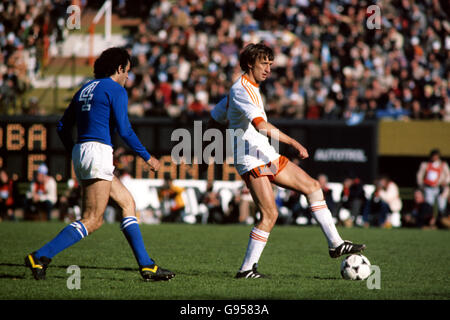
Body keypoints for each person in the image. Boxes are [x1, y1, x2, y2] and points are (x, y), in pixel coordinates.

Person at [209, 43, 365, 279]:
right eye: (264, 63)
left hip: (265, 154)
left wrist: (230, 117)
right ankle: (246, 270)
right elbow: (261, 126)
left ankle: (336, 244)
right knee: (270, 214)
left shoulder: (242, 89)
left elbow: (216, 116)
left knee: (313, 187)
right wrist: (294, 143)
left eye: (271, 64)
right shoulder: (242, 89)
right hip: (251, 158)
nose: (269, 69)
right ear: (250, 63)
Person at [25, 47, 174, 281]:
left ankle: (147, 266)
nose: (128, 77)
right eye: (128, 71)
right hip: (98, 151)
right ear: (119, 68)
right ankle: (41, 255)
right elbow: (125, 129)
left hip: (82, 151)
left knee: (127, 202)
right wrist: (148, 157)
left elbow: (62, 127)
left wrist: (75, 150)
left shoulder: (84, 89)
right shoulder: (115, 89)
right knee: (93, 219)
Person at [416, 149, 450, 217]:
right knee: (429, 205)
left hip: (440, 187)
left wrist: (445, 182)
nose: (434, 158)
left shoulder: (443, 165)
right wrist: (421, 185)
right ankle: (429, 220)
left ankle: (442, 219)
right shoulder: (425, 164)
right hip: (429, 187)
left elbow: (448, 175)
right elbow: (419, 176)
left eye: (436, 156)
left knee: (441, 205)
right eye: (433, 156)